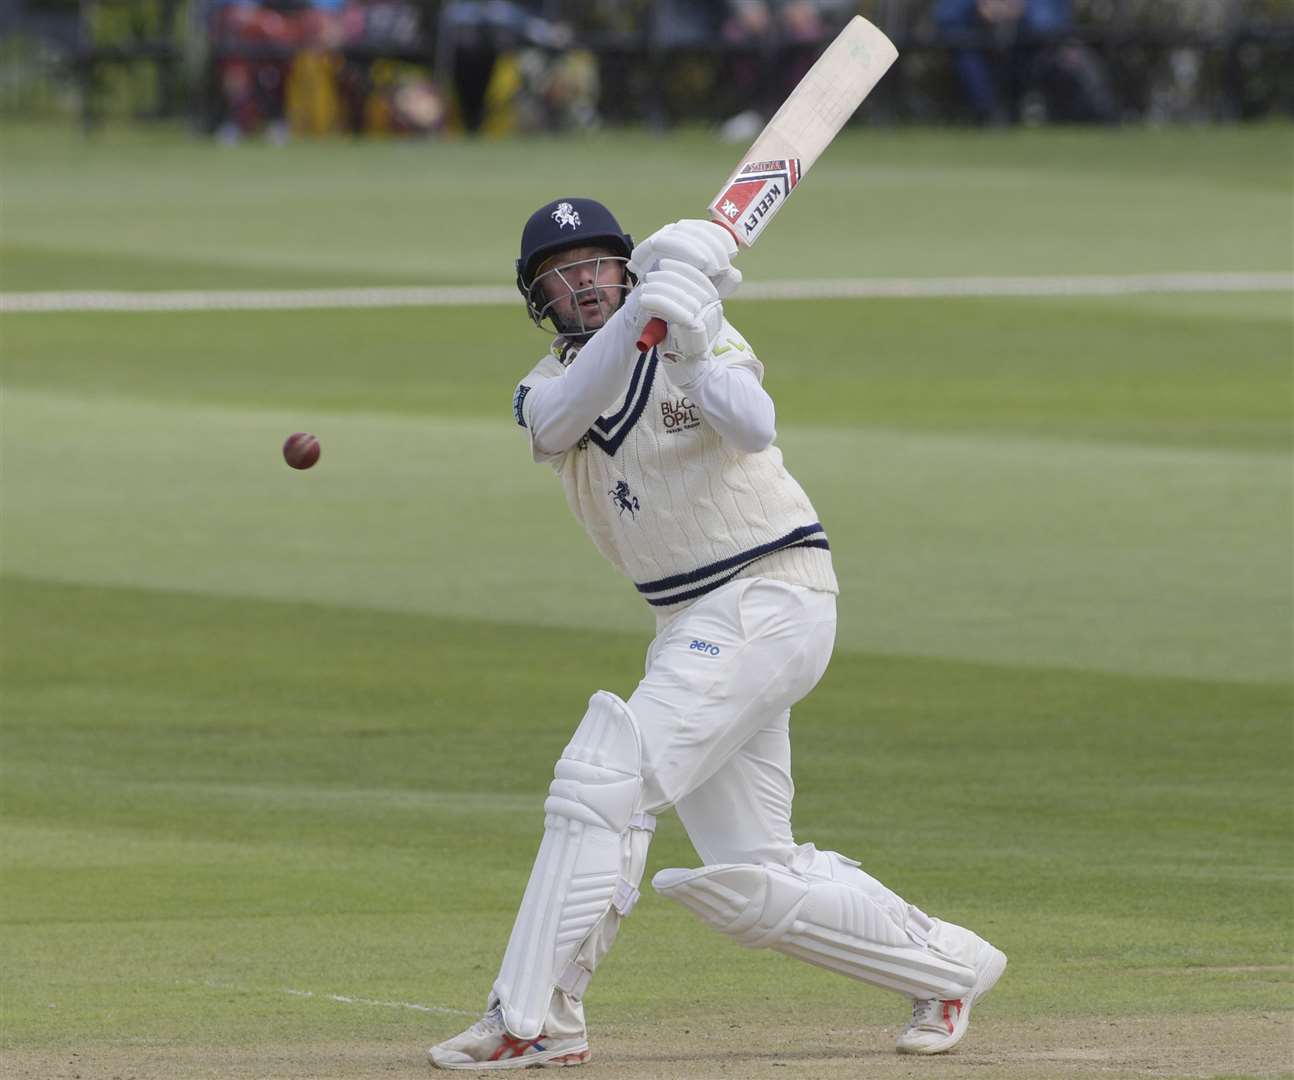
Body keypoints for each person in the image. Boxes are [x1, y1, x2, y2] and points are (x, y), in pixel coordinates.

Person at [426, 198, 1007, 1070]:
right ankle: (949, 968)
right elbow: (563, 422)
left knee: (604, 775)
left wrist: (696, 342)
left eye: (598, 263)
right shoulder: (544, 389)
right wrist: (642, 314)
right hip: (694, 621)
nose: (583, 280)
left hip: (772, 593)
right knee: (751, 875)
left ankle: (534, 1019)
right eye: (563, 270)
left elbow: (754, 425)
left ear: (625, 264)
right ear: (538, 294)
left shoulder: (702, 326)